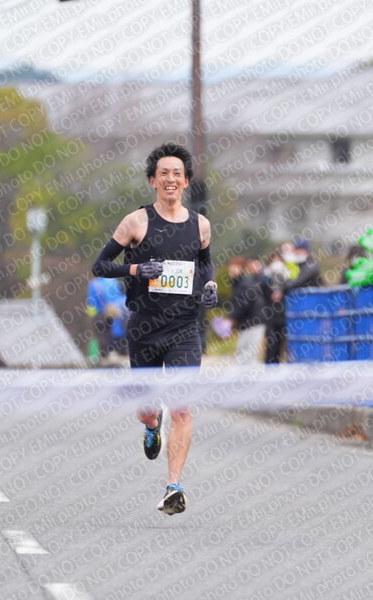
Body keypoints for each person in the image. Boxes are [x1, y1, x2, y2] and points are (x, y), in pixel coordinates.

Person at [91, 142, 217, 515]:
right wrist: (135, 269)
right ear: (153, 181)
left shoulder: (201, 225)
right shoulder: (136, 222)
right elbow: (100, 266)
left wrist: (210, 286)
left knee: (182, 407)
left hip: (184, 328)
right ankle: (151, 425)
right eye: (164, 173)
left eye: (177, 173)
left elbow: (205, 264)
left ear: (186, 181)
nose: (171, 179)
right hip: (144, 328)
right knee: (147, 409)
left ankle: (174, 486)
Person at [228, 256, 266, 364]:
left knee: (248, 355)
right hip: (247, 323)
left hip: (254, 322)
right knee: (244, 355)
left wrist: (233, 318)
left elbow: (243, 304)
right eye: (231, 267)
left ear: (242, 268)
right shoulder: (239, 282)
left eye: (235, 267)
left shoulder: (245, 282)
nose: (232, 270)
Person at [86, 276, 128, 364]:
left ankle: (106, 356)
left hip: (101, 314)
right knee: (115, 333)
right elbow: (118, 296)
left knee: (103, 336)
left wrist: (92, 316)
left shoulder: (94, 284)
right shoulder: (113, 281)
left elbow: (91, 303)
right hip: (115, 313)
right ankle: (118, 354)